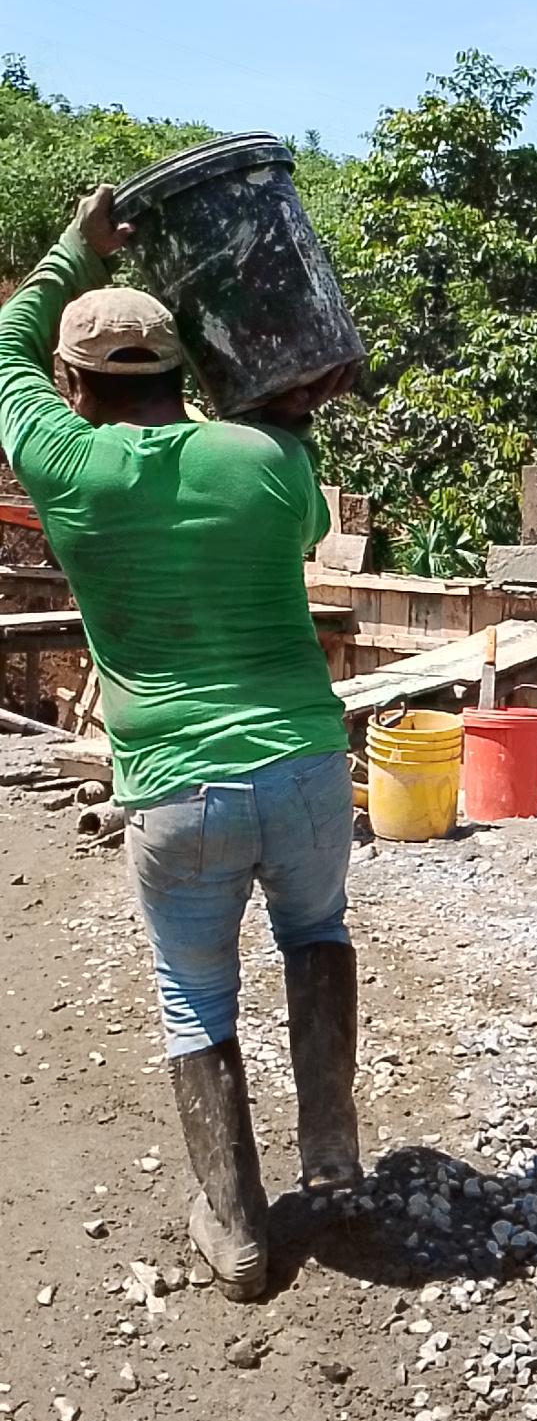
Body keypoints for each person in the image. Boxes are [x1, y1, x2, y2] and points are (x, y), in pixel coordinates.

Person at [0, 183, 362, 1302]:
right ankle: (332, 1154)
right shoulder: (265, 460)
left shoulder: (65, 465)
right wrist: (281, 407)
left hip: (177, 793)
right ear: (182, 368)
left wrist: (76, 250)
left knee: (193, 996)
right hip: (306, 769)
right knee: (316, 931)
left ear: (75, 387)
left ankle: (237, 1229)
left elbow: (6, 345)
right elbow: (307, 517)